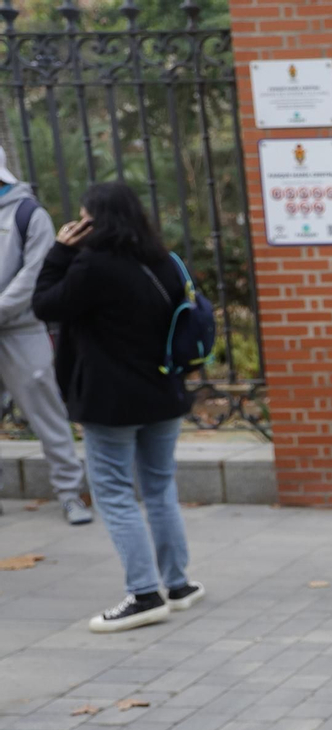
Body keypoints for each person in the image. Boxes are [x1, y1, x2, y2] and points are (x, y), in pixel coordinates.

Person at [32, 182, 205, 633]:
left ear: (96, 220)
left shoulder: (91, 266)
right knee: (159, 487)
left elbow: (44, 304)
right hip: (164, 394)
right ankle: (179, 585)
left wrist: (58, 252)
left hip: (112, 404)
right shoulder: (164, 262)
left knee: (113, 493)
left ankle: (145, 594)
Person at [0, 146, 92, 525]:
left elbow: (34, 273)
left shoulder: (28, 213)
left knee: (47, 415)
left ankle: (70, 493)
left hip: (22, 329)